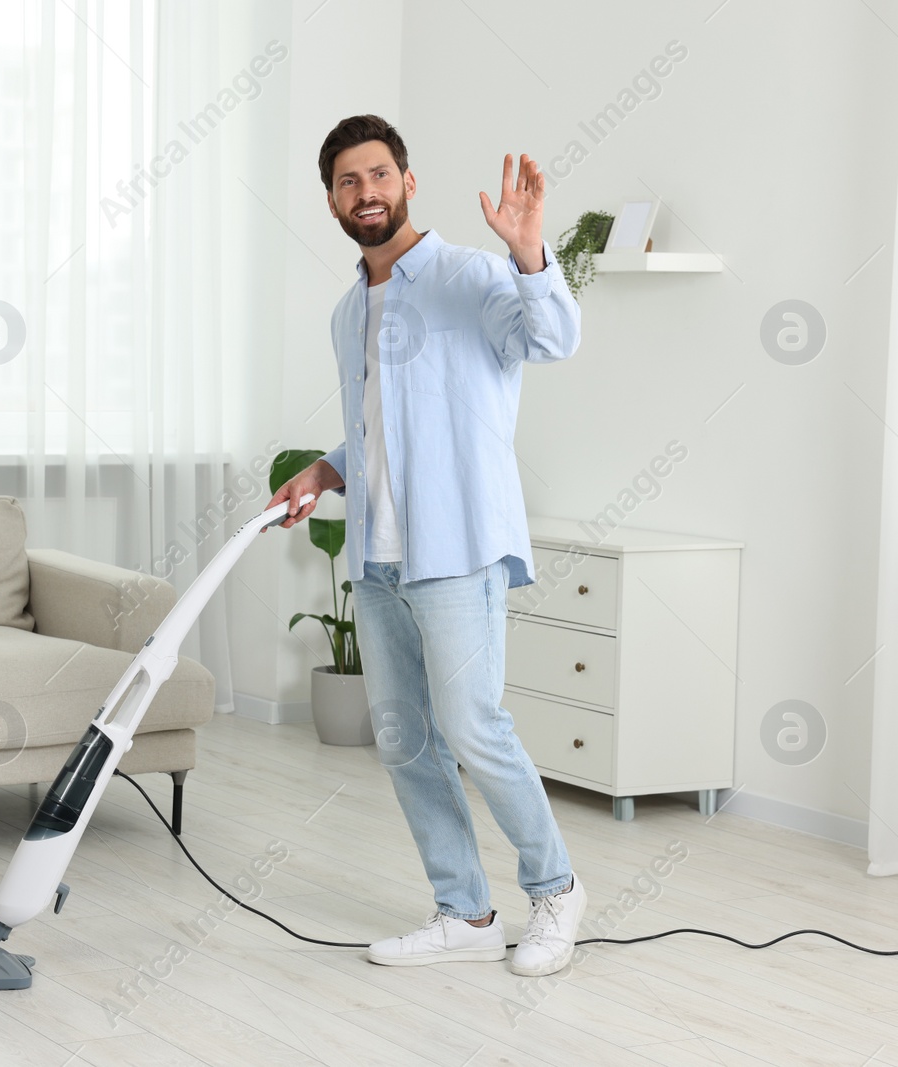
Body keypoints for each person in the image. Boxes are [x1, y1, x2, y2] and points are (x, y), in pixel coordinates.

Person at [265, 114, 585, 977]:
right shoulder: (347, 313)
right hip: (377, 560)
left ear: (408, 182)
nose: (363, 192)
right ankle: (465, 912)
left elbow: (552, 339)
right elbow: (377, 429)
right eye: (345, 181)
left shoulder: (471, 276)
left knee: (476, 728)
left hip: (458, 549)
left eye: (377, 175)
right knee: (406, 738)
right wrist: (325, 473)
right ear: (330, 199)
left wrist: (529, 254)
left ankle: (555, 890)